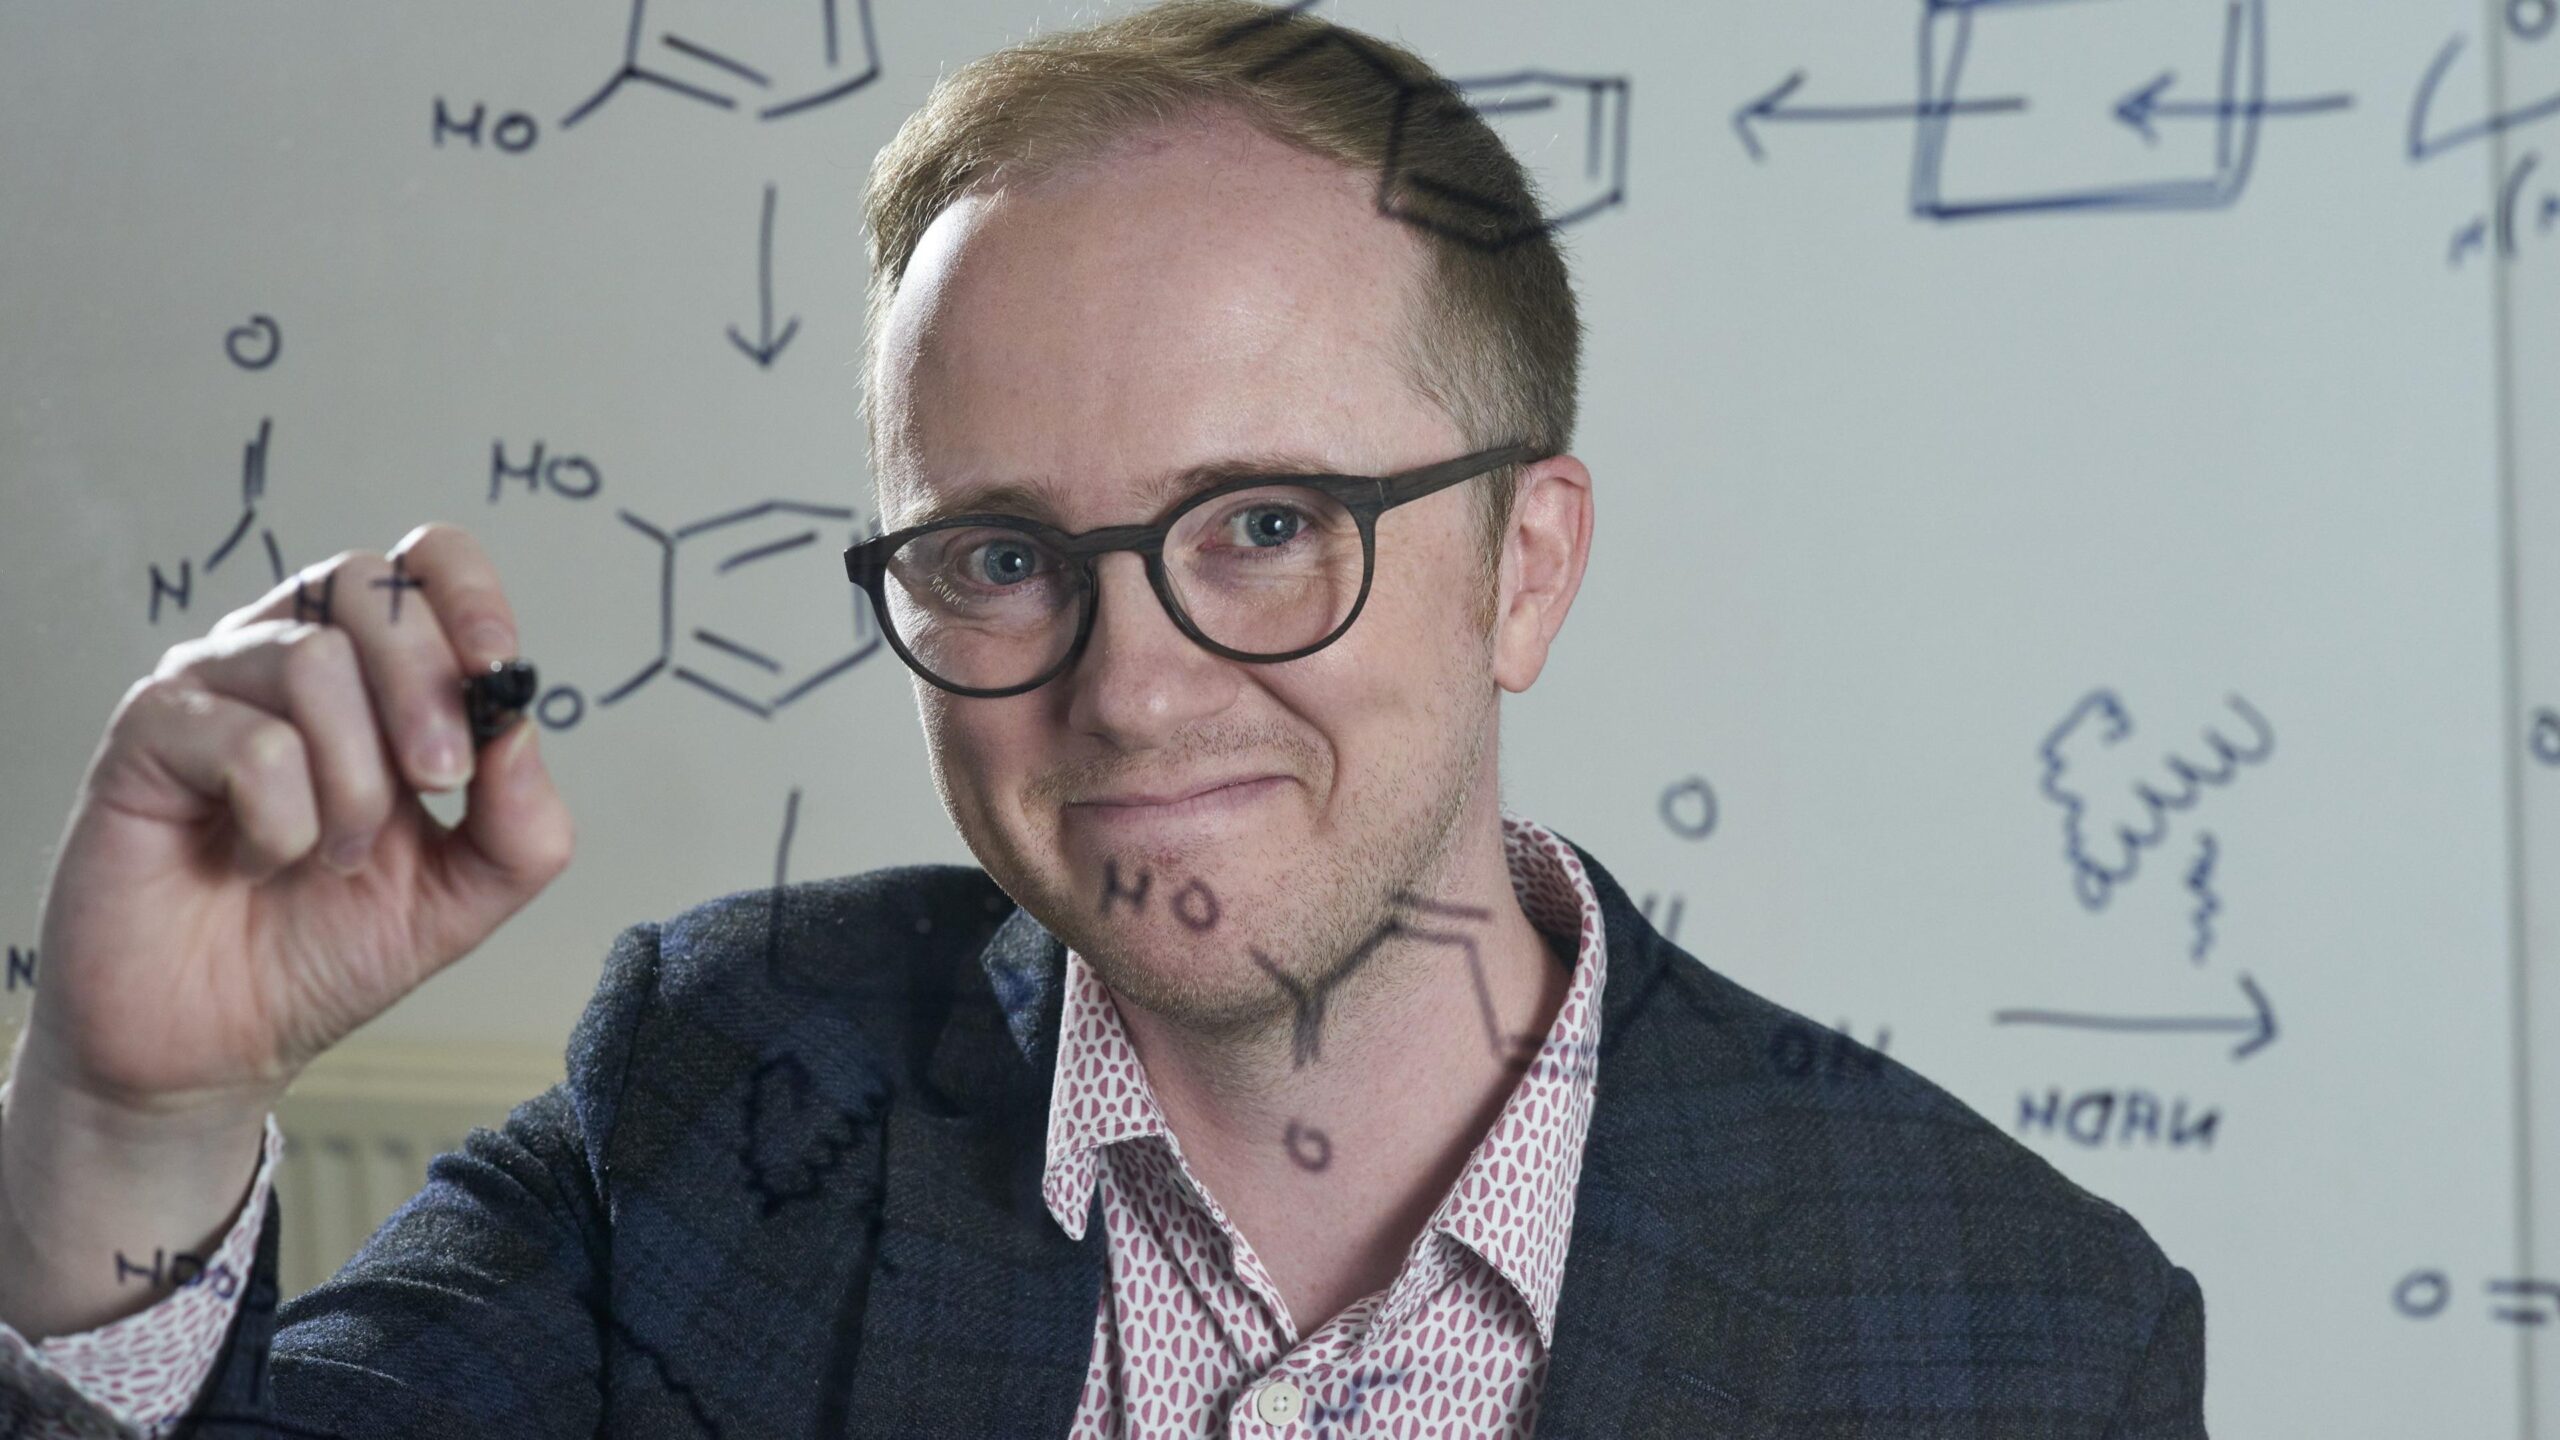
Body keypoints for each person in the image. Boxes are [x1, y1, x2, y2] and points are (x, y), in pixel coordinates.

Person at [0, 2, 2208, 1435]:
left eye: (1261, 521)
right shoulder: (715, 1092)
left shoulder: (2015, 1335)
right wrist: (127, 1110)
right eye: (997, 556)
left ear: (1521, 565)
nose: (1127, 689)